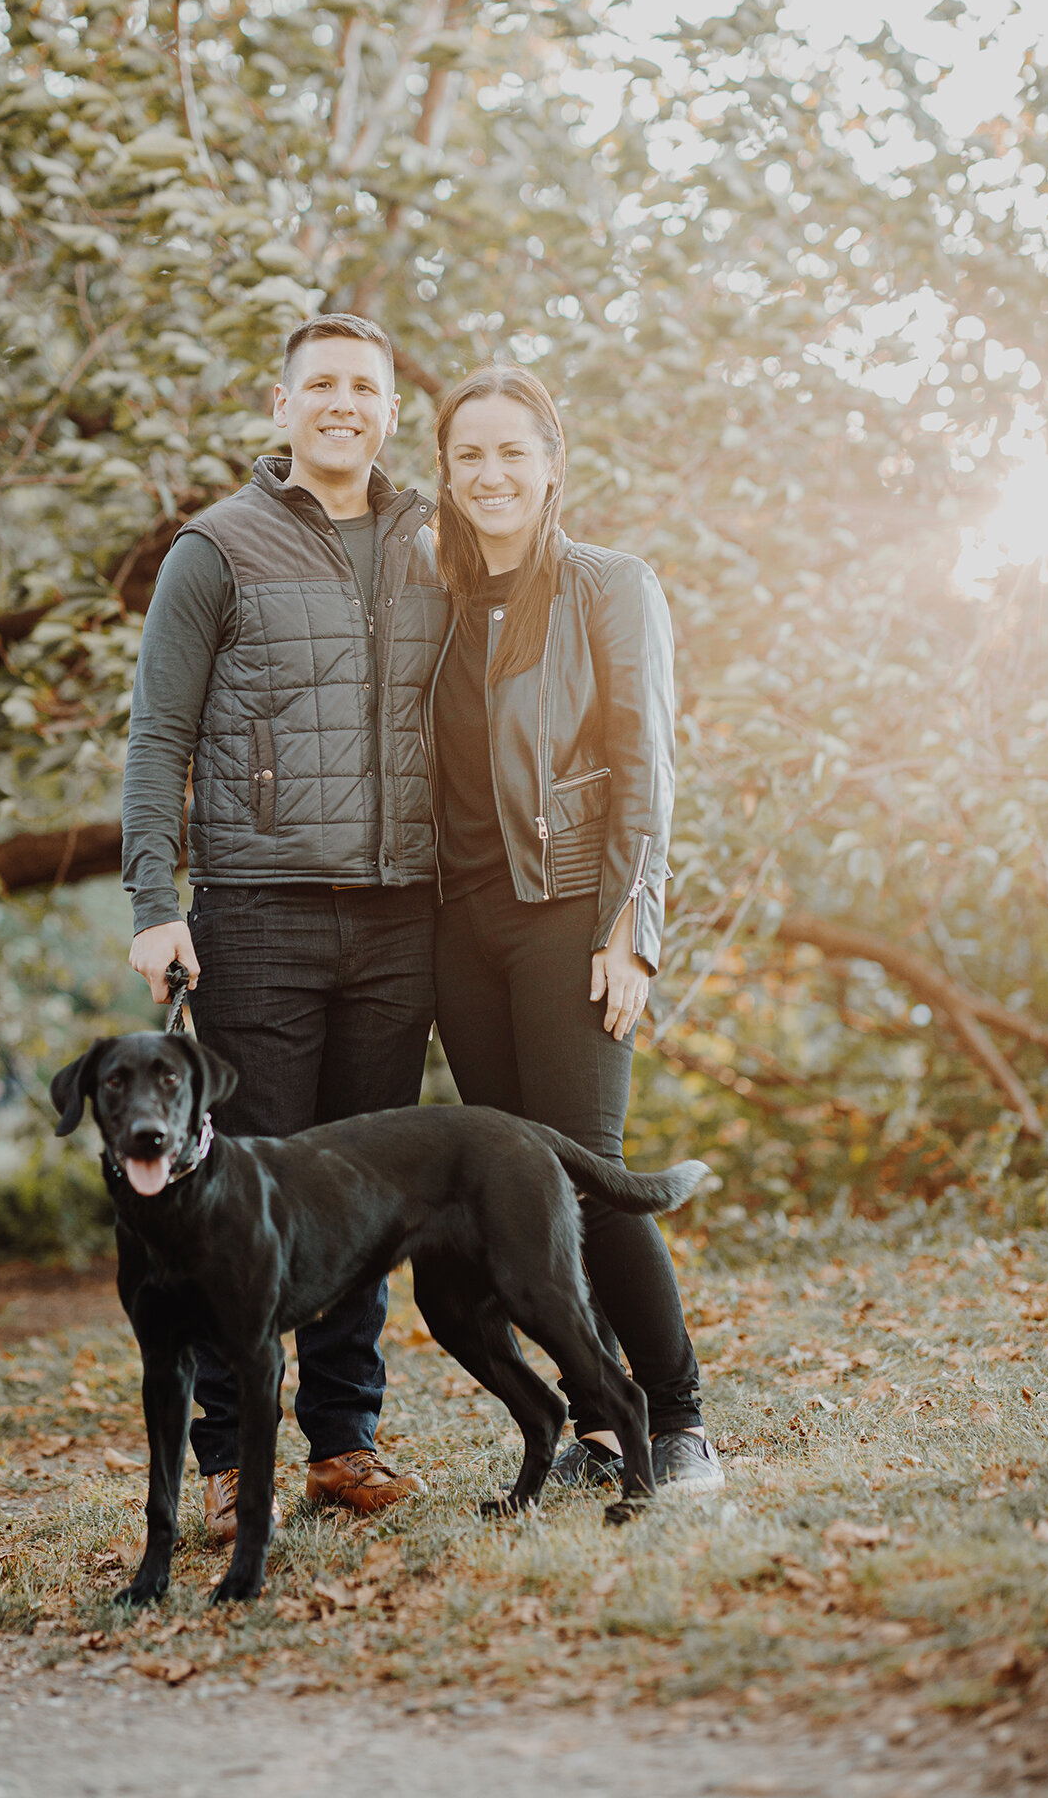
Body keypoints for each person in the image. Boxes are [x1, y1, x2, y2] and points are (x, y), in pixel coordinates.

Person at [121, 313, 448, 1543]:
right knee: (231, 1196)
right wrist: (157, 901)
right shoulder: (214, 548)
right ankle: (222, 1455)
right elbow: (157, 735)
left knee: (356, 1200)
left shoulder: (434, 542)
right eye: (322, 385)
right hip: (253, 912)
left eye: (365, 385)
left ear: (389, 408)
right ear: (281, 405)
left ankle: (344, 1440)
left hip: (401, 915)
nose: (344, 403)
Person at [424, 364, 723, 1493]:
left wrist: (628, 928)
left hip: (569, 915)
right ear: (445, 477)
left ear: (552, 463)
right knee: (514, 1195)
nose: (490, 473)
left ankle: (681, 1419)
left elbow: (647, 765)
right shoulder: (441, 603)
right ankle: (605, 1423)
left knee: (588, 1182)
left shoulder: (609, 583)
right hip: (464, 930)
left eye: (511, 451)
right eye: (468, 456)